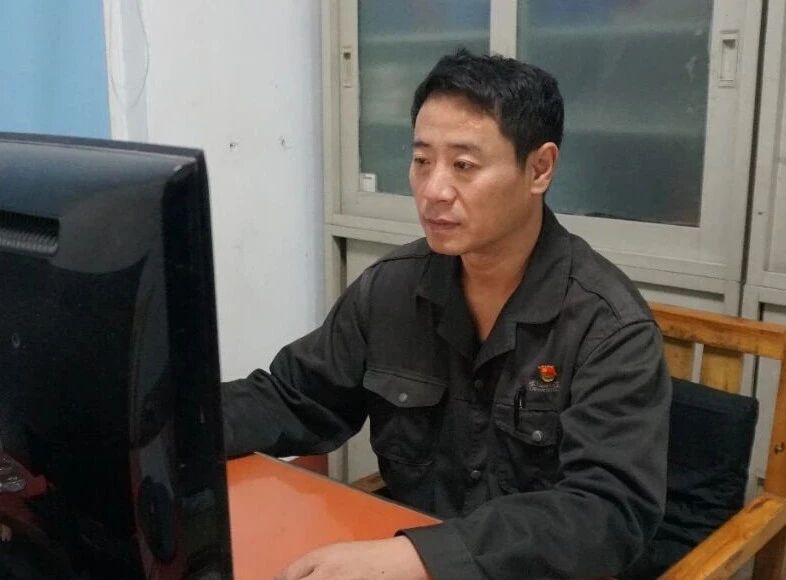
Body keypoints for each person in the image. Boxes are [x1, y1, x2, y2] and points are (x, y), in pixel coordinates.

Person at [222, 49, 671, 579]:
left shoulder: (608, 327)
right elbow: (292, 398)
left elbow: (605, 513)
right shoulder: (391, 289)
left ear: (539, 169)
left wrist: (423, 557)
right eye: (421, 161)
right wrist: (161, 426)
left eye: (464, 165)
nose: (433, 190)